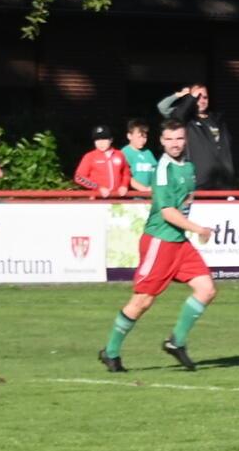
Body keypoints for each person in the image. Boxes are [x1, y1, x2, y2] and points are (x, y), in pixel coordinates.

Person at [99, 120, 217, 373]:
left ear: (185, 140)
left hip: (179, 243)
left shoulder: (188, 167)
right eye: (170, 139)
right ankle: (110, 352)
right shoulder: (163, 169)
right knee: (142, 301)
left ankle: (176, 342)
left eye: (179, 138)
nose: (175, 143)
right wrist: (199, 230)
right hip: (160, 241)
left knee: (206, 289)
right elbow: (167, 213)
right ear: (162, 142)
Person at [158, 84, 235, 189]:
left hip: (223, 182)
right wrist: (189, 97)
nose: (202, 100)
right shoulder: (187, 120)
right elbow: (169, 112)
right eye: (198, 97)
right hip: (199, 183)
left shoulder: (218, 120)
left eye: (205, 97)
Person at [73, 125, 131, 198]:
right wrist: (98, 187)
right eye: (97, 140)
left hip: (119, 198)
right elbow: (79, 177)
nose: (100, 143)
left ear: (111, 140)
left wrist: (124, 185)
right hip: (98, 199)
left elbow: (126, 173)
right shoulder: (89, 156)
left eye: (104, 139)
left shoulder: (119, 154)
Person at [122, 119, 157, 194]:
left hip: (150, 193)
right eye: (139, 137)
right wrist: (144, 189)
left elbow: (155, 172)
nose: (142, 140)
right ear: (129, 136)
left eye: (144, 137)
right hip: (135, 195)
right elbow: (126, 176)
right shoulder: (124, 153)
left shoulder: (148, 153)